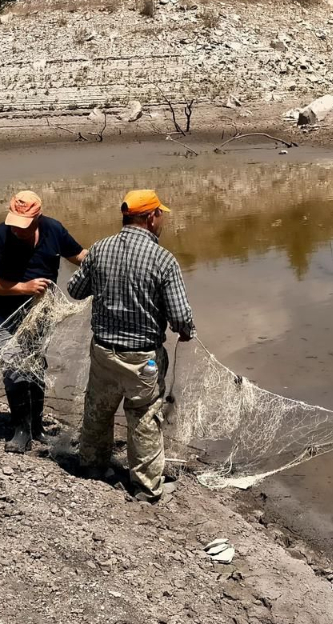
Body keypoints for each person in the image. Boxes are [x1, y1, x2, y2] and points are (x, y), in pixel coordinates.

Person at [67, 189, 194, 503]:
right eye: (160, 214)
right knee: (144, 417)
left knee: (98, 409)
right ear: (151, 218)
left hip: (103, 351)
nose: (161, 219)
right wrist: (187, 329)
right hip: (142, 357)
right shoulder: (163, 259)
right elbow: (180, 316)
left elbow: (75, 290)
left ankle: (92, 467)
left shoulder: (100, 248)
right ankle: (146, 487)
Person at [0, 190, 86, 453]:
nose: (18, 230)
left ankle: (36, 427)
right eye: (15, 223)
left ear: (37, 218)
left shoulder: (53, 229)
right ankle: (20, 430)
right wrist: (23, 287)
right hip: (3, 314)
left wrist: (106, 257)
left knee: (36, 366)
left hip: (41, 314)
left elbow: (78, 256)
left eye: (23, 226)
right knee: (14, 366)